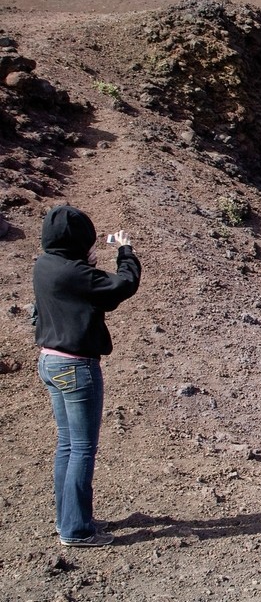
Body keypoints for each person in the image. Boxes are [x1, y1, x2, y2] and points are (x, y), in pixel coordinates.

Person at [32, 205, 141, 547]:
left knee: (67, 445)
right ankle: (76, 530)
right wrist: (125, 252)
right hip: (76, 368)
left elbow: (88, 295)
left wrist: (87, 264)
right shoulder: (75, 273)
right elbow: (123, 286)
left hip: (50, 361)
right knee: (82, 448)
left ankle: (70, 518)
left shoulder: (45, 265)